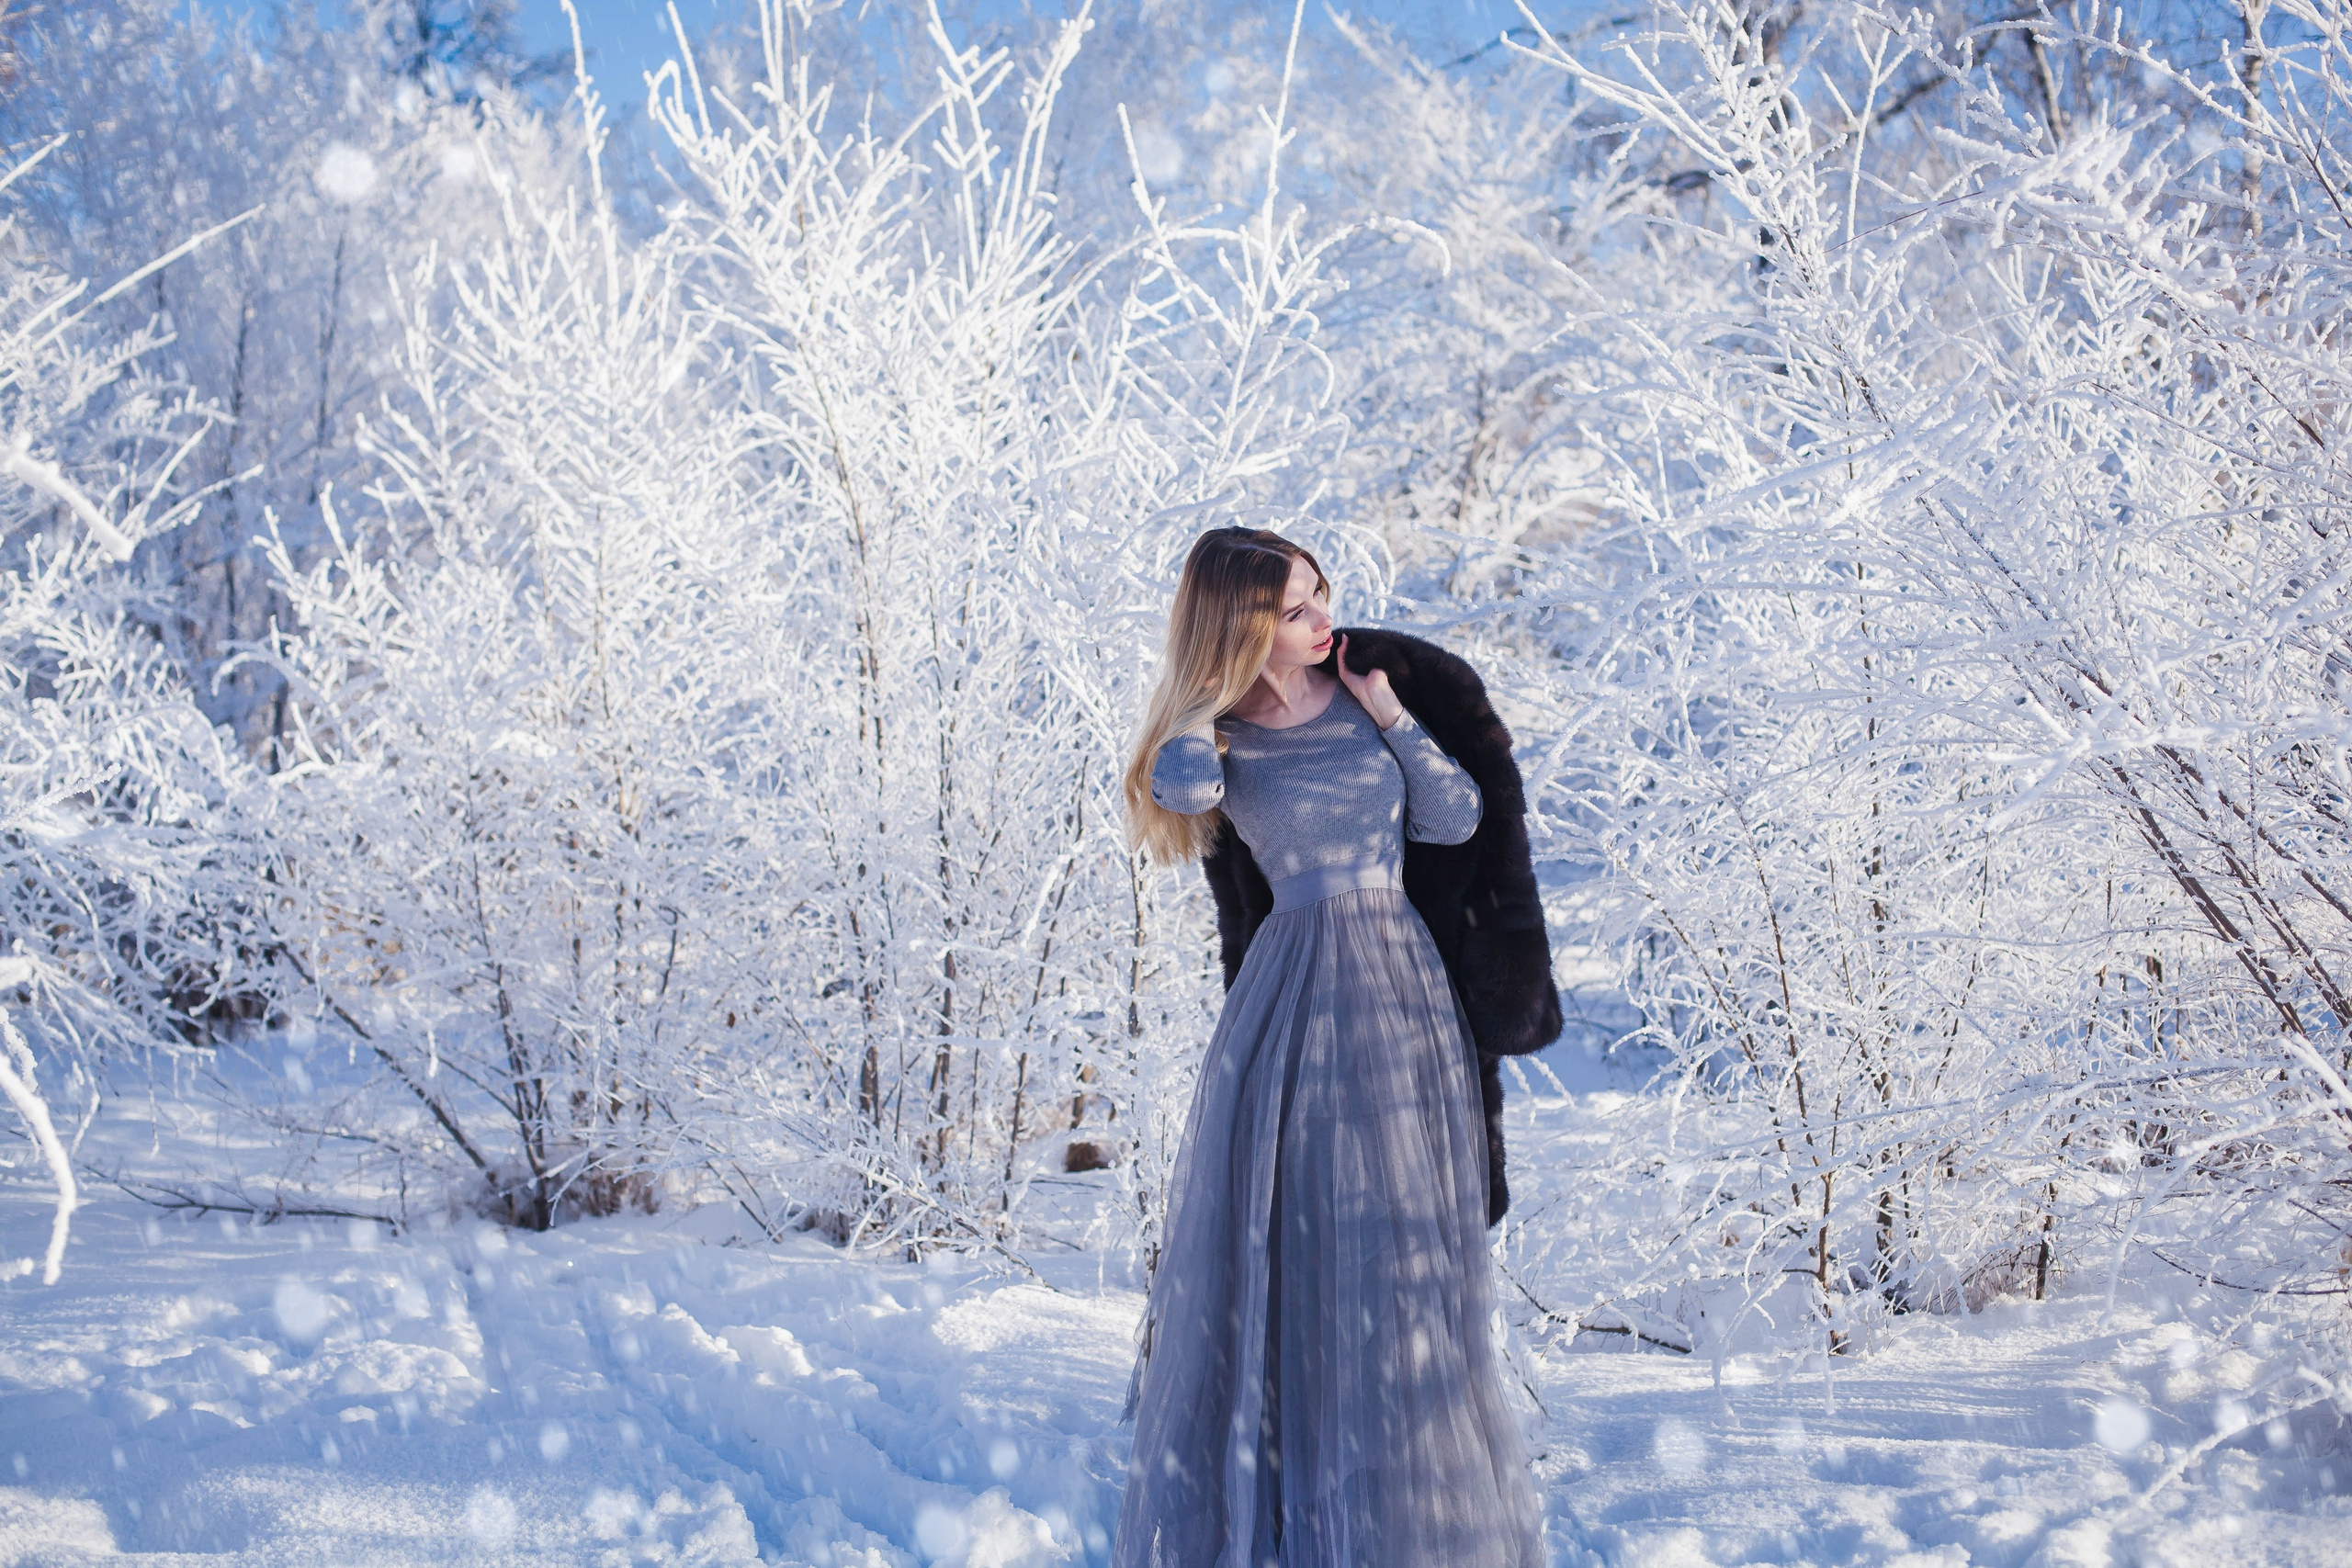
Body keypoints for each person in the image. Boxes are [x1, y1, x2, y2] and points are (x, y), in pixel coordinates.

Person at [1113, 526, 1545, 1568]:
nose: (1324, 619)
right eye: (1296, 608)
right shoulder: (1213, 739)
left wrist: (1390, 709)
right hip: (1296, 991)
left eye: (1322, 595)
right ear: (1243, 623)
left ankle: (1406, 1498)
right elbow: (1175, 798)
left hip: (1400, 989)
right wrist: (1197, 709)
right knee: (1302, 1235)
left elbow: (1451, 819)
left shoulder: (1362, 695)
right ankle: (1298, 1499)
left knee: (1399, 1242)